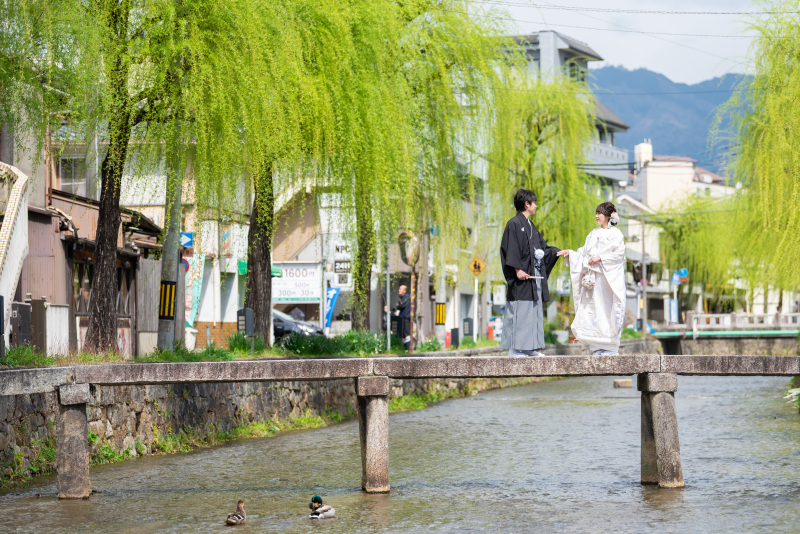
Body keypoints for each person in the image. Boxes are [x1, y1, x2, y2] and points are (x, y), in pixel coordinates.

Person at [557, 202, 626, 355]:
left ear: (608, 216)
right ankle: (596, 346)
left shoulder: (616, 234)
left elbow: (619, 255)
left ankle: (610, 346)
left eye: (599, 213)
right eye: (596, 213)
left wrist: (600, 258)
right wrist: (571, 253)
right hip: (593, 278)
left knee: (607, 309)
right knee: (593, 310)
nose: (596, 216)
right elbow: (583, 253)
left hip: (607, 279)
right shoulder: (592, 234)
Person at [500, 189, 560, 357]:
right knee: (520, 312)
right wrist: (517, 269)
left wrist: (556, 252)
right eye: (534, 202)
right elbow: (510, 248)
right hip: (521, 279)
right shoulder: (514, 224)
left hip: (533, 278)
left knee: (532, 314)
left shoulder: (530, 226)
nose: (536, 205)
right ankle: (514, 348)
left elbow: (542, 248)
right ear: (527, 204)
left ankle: (528, 348)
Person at [394, 285, 412, 352]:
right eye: (399, 289)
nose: (399, 290)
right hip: (402, 318)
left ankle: (408, 348)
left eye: (400, 289)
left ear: (404, 291)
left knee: (406, 334)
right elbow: (398, 306)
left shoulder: (406, 297)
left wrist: (398, 304)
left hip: (406, 318)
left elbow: (400, 306)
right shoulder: (401, 298)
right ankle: (405, 349)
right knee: (403, 334)